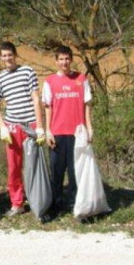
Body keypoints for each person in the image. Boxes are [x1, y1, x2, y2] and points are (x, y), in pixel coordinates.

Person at [0, 41, 45, 216]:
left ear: (15, 55)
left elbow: (36, 99)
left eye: (10, 55)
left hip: (30, 124)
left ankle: (38, 198)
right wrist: (2, 127)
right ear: (1, 58)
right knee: (14, 166)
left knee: (34, 164)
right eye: (4, 55)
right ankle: (17, 203)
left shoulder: (28, 71)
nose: (7, 58)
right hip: (12, 126)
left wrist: (40, 126)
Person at [42, 45, 93, 212]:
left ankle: (74, 203)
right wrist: (48, 131)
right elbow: (48, 107)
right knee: (56, 171)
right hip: (57, 133)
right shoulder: (50, 82)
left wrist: (89, 128)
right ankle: (56, 203)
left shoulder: (81, 79)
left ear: (71, 60)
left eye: (67, 58)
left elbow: (87, 105)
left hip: (76, 133)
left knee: (74, 171)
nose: (64, 62)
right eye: (61, 59)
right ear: (56, 61)